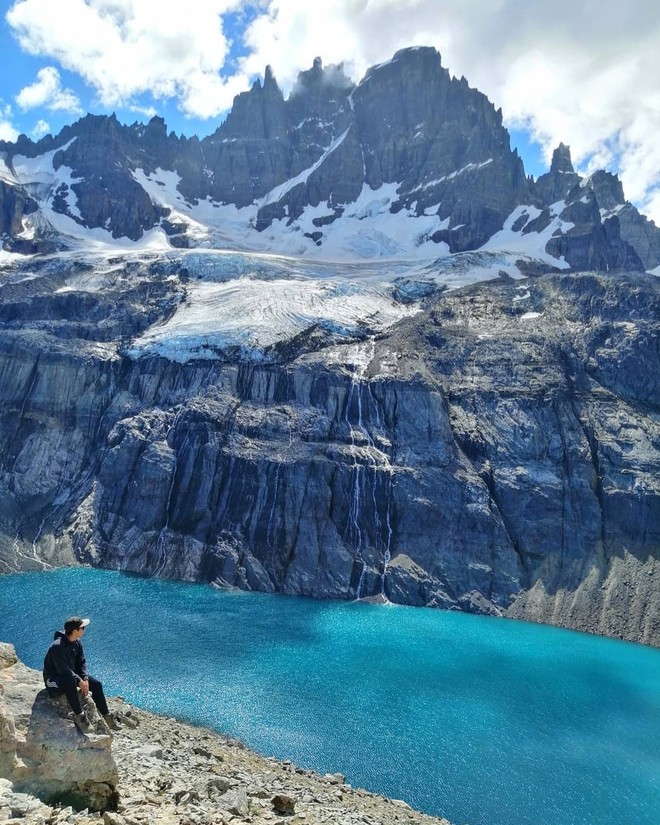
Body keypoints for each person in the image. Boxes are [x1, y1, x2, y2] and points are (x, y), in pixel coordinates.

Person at [43, 616, 121, 734]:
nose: (84, 630)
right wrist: (79, 680)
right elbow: (62, 669)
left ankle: (107, 716)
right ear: (75, 631)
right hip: (53, 680)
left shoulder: (77, 642)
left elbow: (81, 662)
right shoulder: (57, 647)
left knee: (97, 684)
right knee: (70, 681)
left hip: (69, 675)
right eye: (82, 628)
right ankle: (80, 717)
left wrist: (85, 678)